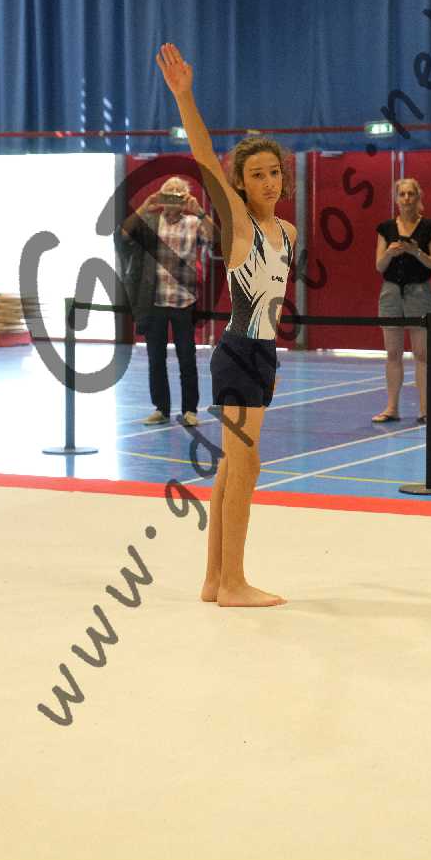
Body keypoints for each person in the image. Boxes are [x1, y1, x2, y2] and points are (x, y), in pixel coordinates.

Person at [156, 42, 297, 608]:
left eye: (274, 172)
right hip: (237, 352)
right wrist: (185, 97)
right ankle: (235, 583)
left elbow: (273, 302)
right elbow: (206, 160)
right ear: (240, 184)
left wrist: (273, 361)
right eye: (256, 175)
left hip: (260, 353)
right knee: (246, 467)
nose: (268, 182)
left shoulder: (287, 232)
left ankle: (215, 580)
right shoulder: (241, 223)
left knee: (233, 470)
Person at [119, 176, 215, 427]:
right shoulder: (150, 221)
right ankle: (161, 409)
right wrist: (144, 206)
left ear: (185, 198)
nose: (173, 194)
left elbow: (218, 241)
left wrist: (200, 212)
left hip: (184, 301)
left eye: (178, 191)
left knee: (187, 359)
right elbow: (123, 235)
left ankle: (190, 410)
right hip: (154, 302)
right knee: (155, 359)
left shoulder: (194, 223)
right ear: (161, 196)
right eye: (168, 191)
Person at [372, 178, 431, 424]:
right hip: (391, 293)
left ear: (418, 197)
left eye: (411, 194)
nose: (407, 199)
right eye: (402, 194)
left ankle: (425, 410)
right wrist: (390, 253)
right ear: (396, 199)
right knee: (393, 353)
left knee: (422, 354)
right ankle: (392, 408)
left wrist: (416, 252)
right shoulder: (386, 228)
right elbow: (379, 265)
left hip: (420, 293)